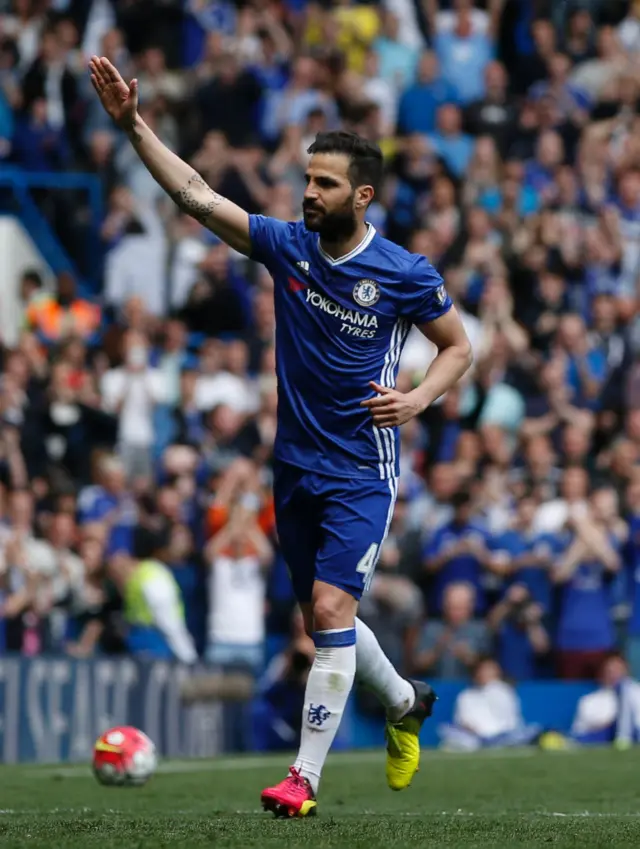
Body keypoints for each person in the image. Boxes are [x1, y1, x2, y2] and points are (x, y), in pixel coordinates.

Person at [89, 55, 472, 817]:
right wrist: (134, 125)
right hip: (294, 463)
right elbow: (196, 194)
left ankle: (303, 778)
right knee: (324, 619)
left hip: (364, 466)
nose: (309, 192)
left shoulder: (403, 271)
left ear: (361, 195)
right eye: (307, 178)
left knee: (332, 610)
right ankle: (404, 702)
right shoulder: (285, 245)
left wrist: (419, 398)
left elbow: (460, 346)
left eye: (325, 184)